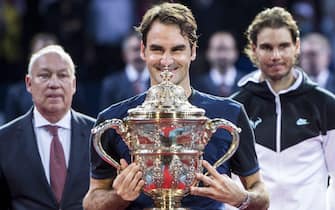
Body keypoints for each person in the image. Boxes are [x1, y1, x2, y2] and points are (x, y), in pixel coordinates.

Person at [83, 2, 269, 210]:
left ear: (193, 51)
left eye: (177, 49)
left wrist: (242, 198)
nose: (166, 60)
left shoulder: (230, 114)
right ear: (143, 51)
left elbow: (261, 195)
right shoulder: (112, 119)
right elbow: (91, 202)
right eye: (157, 49)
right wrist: (119, 196)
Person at [231, 7, 335, 210]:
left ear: (296, 46)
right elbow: (230, 179)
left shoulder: (326, 105)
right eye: (267, 47)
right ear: (254, 49)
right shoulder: (235, 108)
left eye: (283, 46)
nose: (276, 55)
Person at [0, 45, 95, 209]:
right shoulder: (4, 140)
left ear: (73, 85)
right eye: (44, 76)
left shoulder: (99, 134)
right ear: (29, 83)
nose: (54, 83)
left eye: (63, 75)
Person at [4, 33, 90, 123]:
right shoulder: (16, 94)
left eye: (52, 54)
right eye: (41, 54)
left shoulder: (74, 92)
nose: (47, 59)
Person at [99, 32, 149, 109]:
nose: (140, 55)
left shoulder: (159, 80)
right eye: (135, 49)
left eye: (143, 50)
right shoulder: (112, 84)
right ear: (125, 54)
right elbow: (106, 118)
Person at [192, 31, 245, 97]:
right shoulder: (196, 86)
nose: (222, 55)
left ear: (235, 52)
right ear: (208, 53)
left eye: (226, 49)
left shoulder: (247, 84)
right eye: (218, 49)